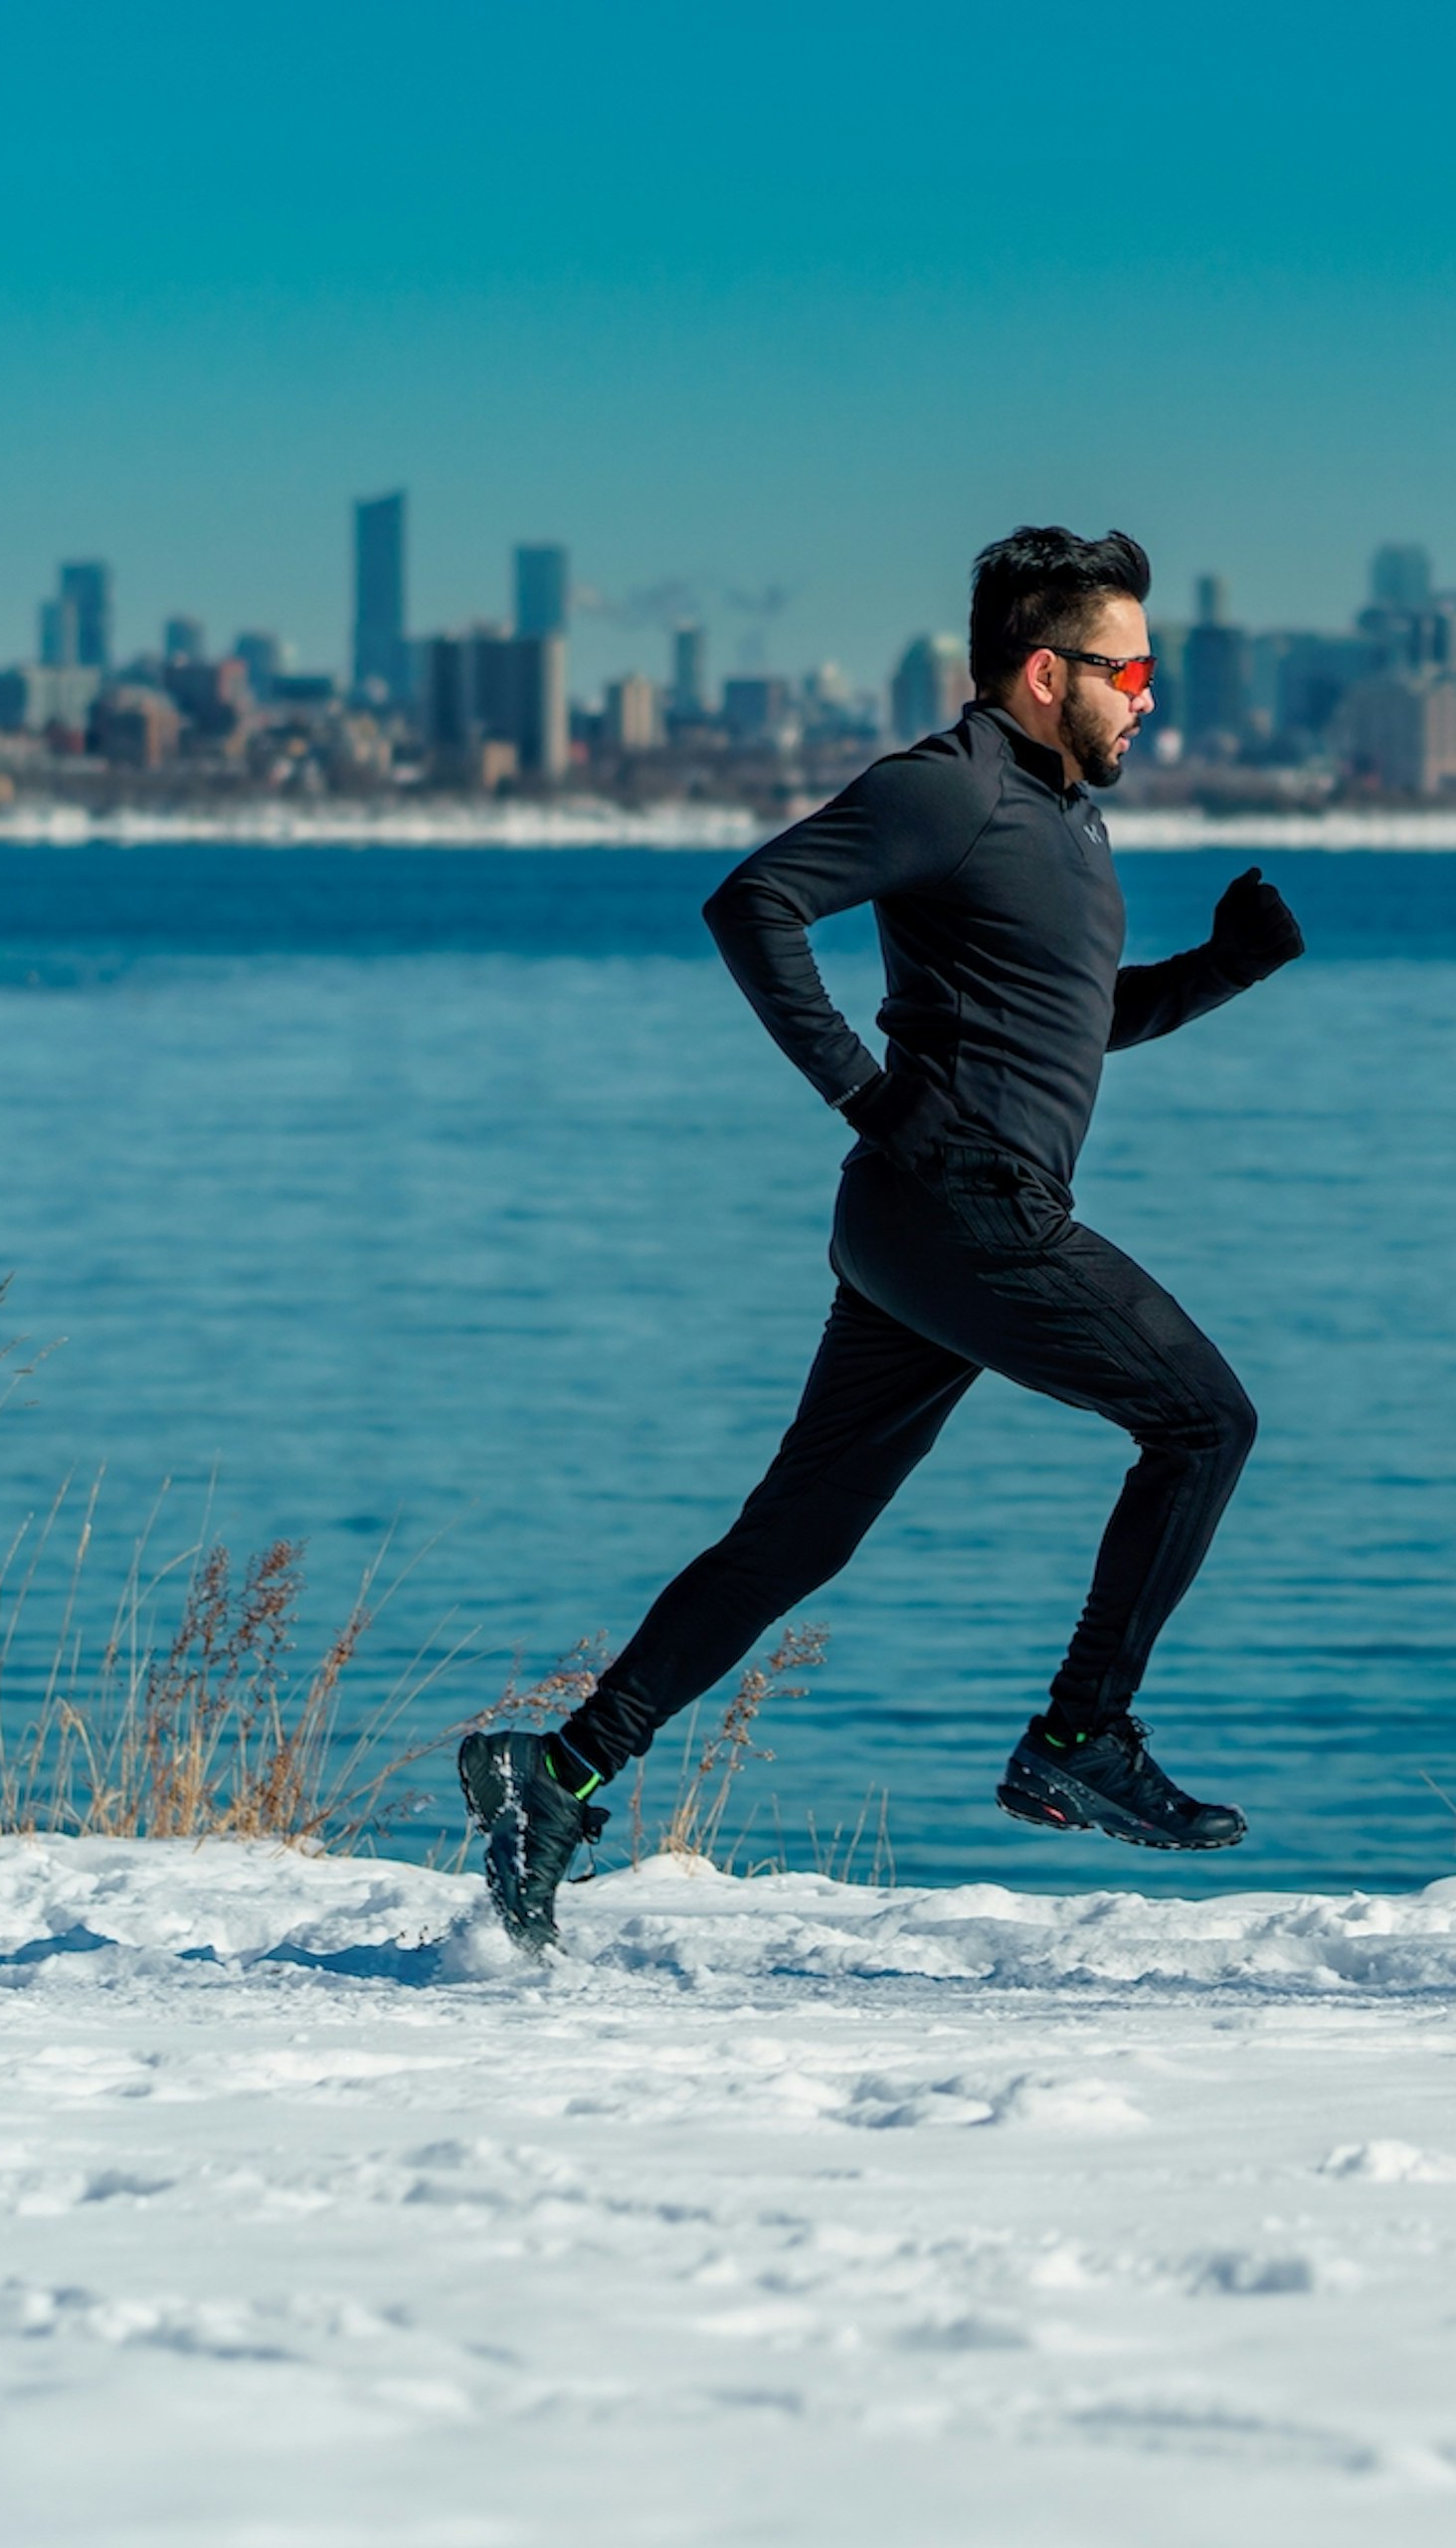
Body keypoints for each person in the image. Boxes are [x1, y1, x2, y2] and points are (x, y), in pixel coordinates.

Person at [458, 526, 1306, 1949]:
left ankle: (556, 1773)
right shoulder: (950, 786)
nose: (1151, 695)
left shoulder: (1060, 819)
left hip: (929, 1226)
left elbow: (1067, 1024)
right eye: (1133, 667)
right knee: (1206, 1423)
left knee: (797, 1534)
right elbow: (755, 901)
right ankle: (1082, 1733)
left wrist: (1225, 969)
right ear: (1047, 673)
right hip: (961, 1205)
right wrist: (865, 1090)